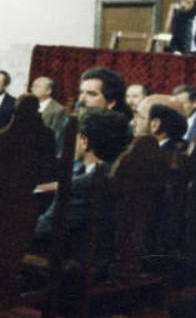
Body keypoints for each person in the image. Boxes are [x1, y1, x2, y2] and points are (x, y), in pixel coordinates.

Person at [33, 108, 130, 253]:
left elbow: (44, 229)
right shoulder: (124, 175)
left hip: (72, 260)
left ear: (84, 141)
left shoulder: (82, 185)